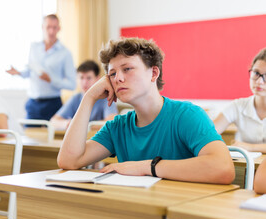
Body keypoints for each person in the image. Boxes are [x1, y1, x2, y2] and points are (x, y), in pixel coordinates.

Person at [57, 37, 235, 184]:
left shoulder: (187, 115)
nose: (118, 78)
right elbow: (69, 161)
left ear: (154, 73)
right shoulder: (117, 127)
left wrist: (146, 167)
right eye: (112, 73)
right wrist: (88, 98)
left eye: (127, 69)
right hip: (137, 217)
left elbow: (223, 168)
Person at [6, 14, 76, 121]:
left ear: (59, 29)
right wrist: (19, 73)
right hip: (33, 103)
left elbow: (72, 84)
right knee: (29, 135)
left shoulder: (65, 53)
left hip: (53, 104)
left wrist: (51, 80)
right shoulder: (34, 47)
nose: (51, 31)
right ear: (42, 27)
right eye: (48, 27)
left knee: (52, 136)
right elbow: (31, 71)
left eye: (54, 27)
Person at [214, 48, 266, 153]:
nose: (260, 81)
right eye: (256, 73)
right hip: (246, 167)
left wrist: (249, 147)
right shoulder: (238, 106)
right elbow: (208, 132)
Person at [50, 60, 118, 130]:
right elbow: (54, 121)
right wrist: (68, 124)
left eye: (89, 78)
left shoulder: (106, 97)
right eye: (81, 78)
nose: (84, 82)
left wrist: (81, 127)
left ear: (98, 79)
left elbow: (111, 122)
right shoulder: (76, 98)